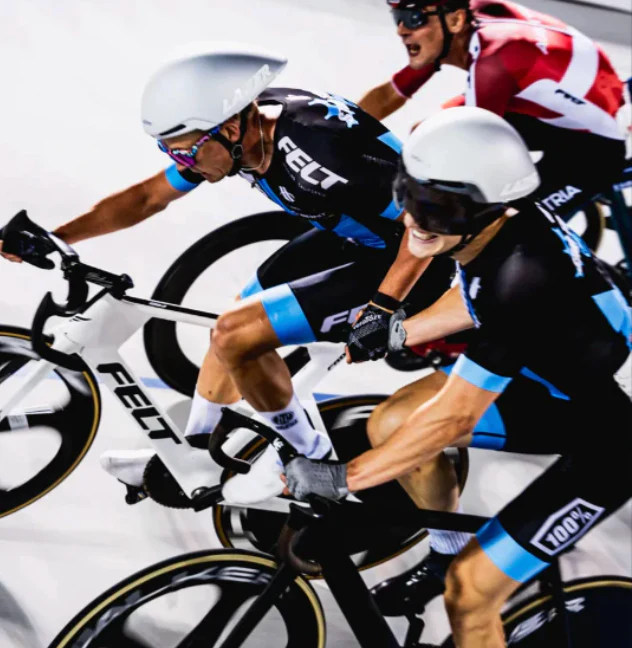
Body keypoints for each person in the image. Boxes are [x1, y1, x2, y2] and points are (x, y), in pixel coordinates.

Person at [0, 43, 454, 505]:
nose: (183, 164)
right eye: (171, 152)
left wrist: (382, 307)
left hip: (421, 262)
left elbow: (430, 227)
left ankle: (313, 461)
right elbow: (148, 198)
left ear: (232, 128)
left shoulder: (319, 153)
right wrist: (58, 235)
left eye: (186, 153)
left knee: (238, 334)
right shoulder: (233, 134)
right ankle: (194, 456)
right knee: (235, 319)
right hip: (360, 239)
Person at [285, 107, 632, 648]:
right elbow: (474, 295)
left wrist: (344, 477)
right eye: (409, 194)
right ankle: (443, 556)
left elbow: (454, 418)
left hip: (611, 437)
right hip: (553, 383)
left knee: (471, 595)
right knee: (392, 424)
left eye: (437, 209)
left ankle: (464, 580)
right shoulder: (495, 228)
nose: (413, 220)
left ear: (490, 208)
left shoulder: (524, 279)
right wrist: (399, 332)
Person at [358, 0, 626, 222]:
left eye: (413, 18)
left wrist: (412, 205)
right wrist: (340, 129)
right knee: (429, 132)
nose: (402, 31)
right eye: (398, 18)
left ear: (456, 20)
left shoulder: (492, 62)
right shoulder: (455, 22)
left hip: (596, 145)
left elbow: (475, 155)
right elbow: (387, 97)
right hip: (559, 109)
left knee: (505, 224)